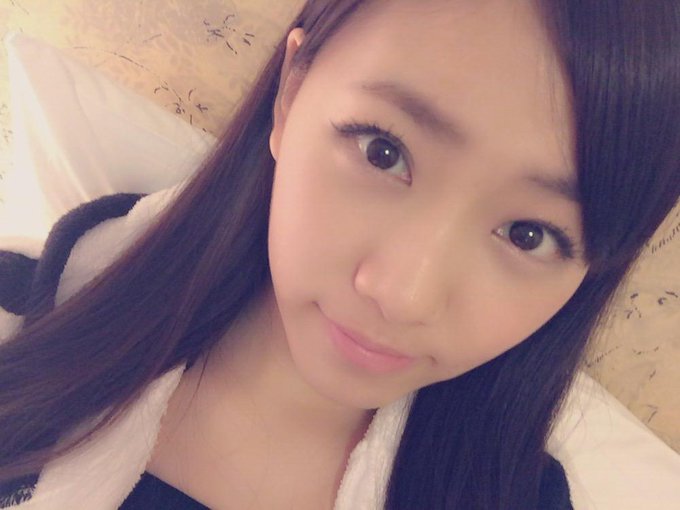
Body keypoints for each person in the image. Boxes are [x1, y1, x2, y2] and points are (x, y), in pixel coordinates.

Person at [0, 0, 678, 508]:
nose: (403, 294)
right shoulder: (21, 334)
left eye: (529, 234)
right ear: (291, 94)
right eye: (383, 152)